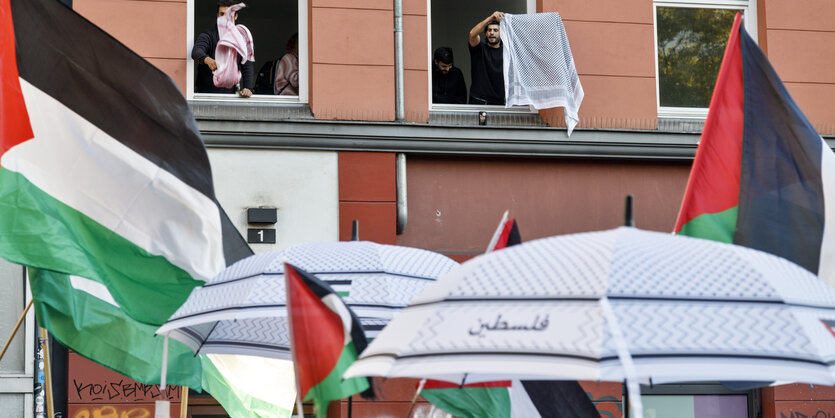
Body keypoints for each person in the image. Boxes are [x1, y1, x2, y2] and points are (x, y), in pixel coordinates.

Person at [192, 0, 254, 97]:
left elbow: (247, 65)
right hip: (206, 95)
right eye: (222, 14)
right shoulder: (209, 34)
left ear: (236, 16)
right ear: (217, 15)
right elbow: (196, 51)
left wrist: (248, 88)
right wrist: (207, 60)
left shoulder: (241, 38)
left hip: (230, 96)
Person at [467, 11, 505, 105]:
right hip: (478, 100)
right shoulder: (479, 48)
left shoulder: (506, 53)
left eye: (496, 30)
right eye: (489, 30)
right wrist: (490, 18)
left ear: (502, 34)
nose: (492, 33)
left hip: (498, 102)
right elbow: (472, 34)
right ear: (486, 33)